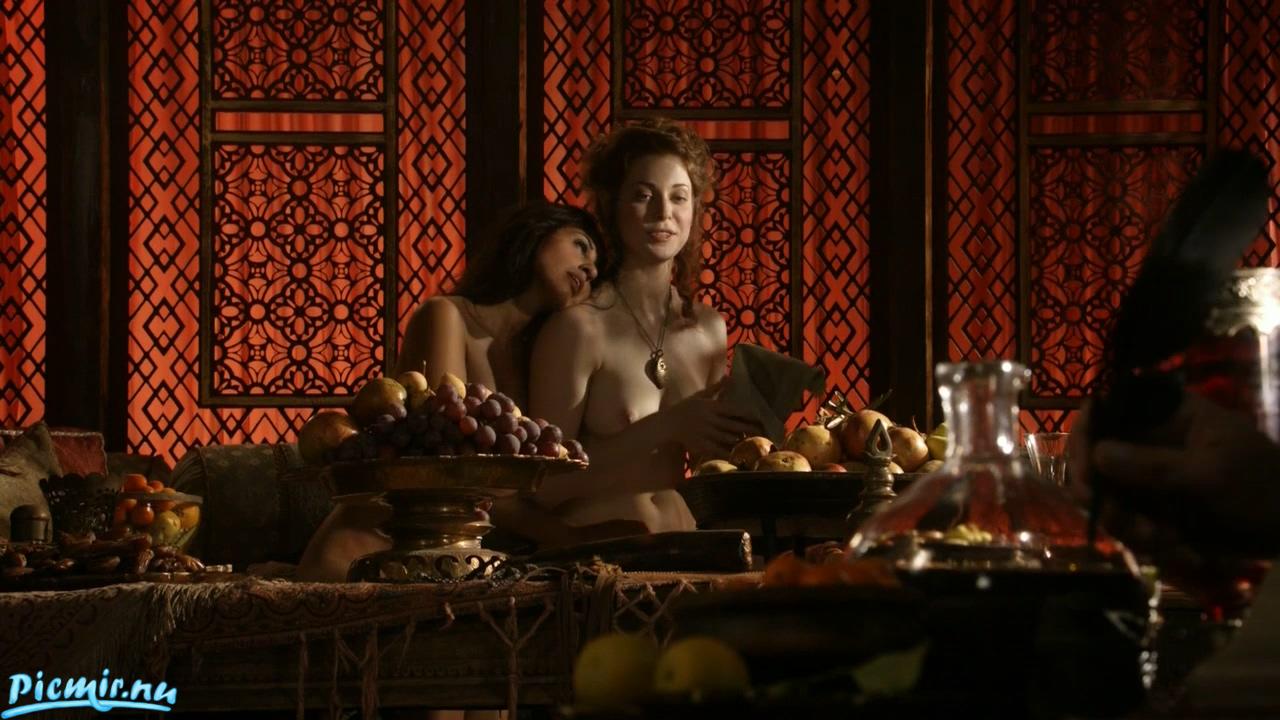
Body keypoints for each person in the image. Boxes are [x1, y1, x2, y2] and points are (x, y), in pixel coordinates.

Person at [298, 202, 621, 582]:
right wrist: (572, 538)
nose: (590, 269)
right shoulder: (447, 315)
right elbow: (448, 474)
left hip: (454, 560)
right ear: (536, 234)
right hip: (372, 553)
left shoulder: (539, 358)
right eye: (581, 246)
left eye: (596, 269)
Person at [527, 118, 760, 536]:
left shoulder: (708, 329)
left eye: (679, 197)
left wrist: (749, 439)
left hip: (689, 551)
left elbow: (710, 469)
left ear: (695, 209)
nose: (663, 213)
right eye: (643, 195)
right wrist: (668, 425)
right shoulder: (579, 329)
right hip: (602, 557)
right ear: (612, 205)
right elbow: (541, 486)